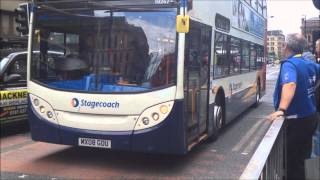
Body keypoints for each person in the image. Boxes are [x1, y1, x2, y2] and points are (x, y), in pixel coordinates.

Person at [267, 34, 320, 180]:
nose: (283, 47)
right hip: (311, 117)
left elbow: (290, 84)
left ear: (287, 47)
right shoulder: (307, 63)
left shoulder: (290, 64)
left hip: (297, 121)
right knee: (304, 157)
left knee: (292, 162)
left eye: (283, 45)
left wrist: (281, 110)